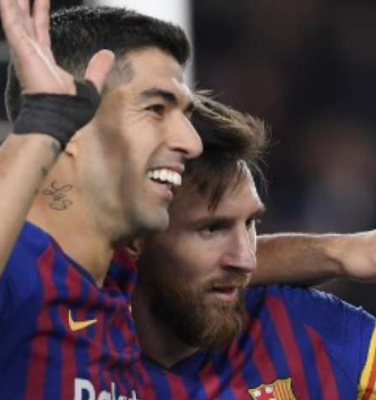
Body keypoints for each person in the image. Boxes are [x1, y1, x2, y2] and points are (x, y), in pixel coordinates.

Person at [0, 0, 201, 399]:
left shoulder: (119, 283)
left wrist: (306, 252)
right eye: (157, 108)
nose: (192, 142)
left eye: (186, 115)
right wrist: (45, 121)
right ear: (76, 128)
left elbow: (228, 266)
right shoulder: (11, 266)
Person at [130, 97, 376, 399]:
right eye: (212, 229)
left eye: (250, 223)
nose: (246, 259)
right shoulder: (85, 346)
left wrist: (343, 252)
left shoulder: (307, 332)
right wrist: (337, 254)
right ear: (134, 237)